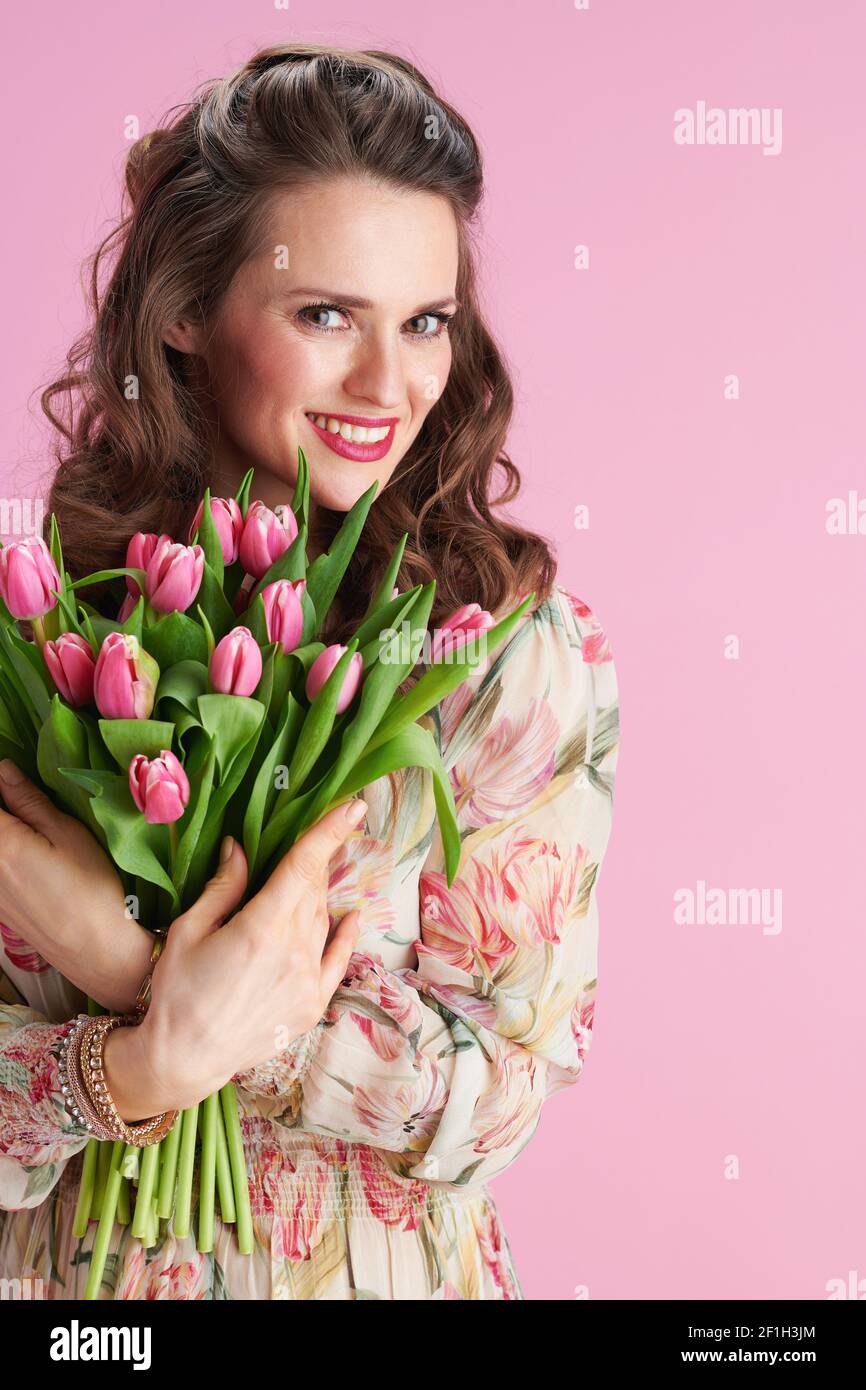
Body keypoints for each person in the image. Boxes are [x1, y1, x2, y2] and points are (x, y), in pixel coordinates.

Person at [0, 42, 620, 1300]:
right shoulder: (40, 630)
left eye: (425, 321)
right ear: (185, 308)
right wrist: (129, 1073)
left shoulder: (497, 659)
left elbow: (491, 1110)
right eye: (324, 313)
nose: (387, 386)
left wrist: (146, 972)